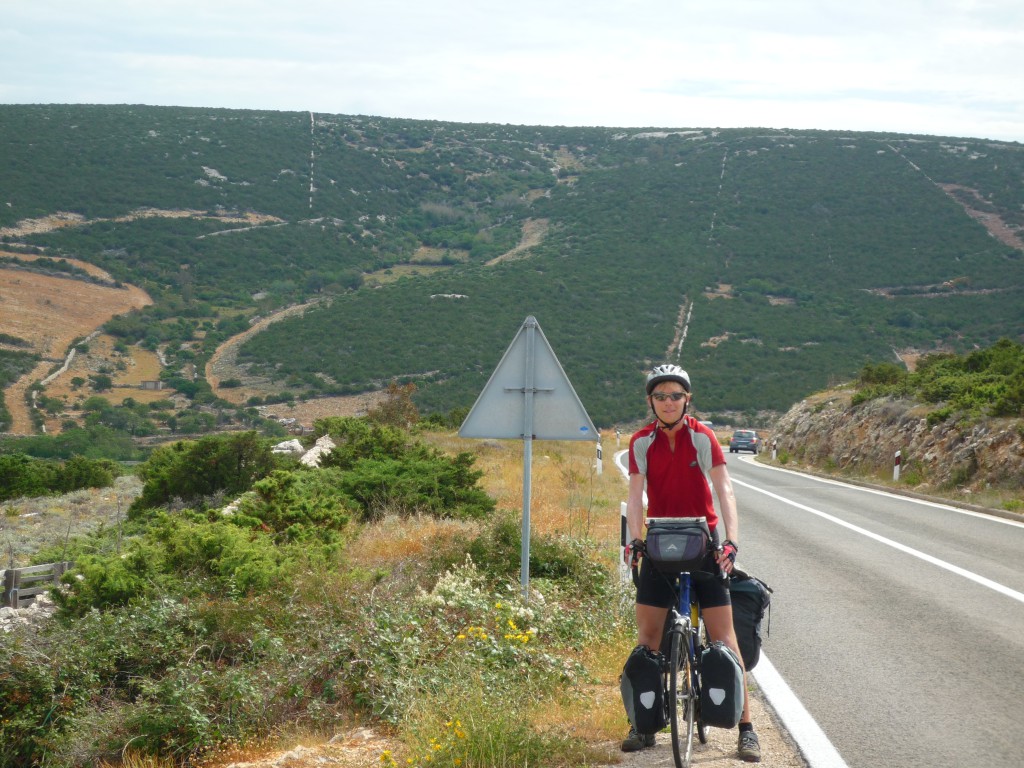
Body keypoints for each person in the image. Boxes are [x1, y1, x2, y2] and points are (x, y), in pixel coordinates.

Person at [620, 364, 760, 762]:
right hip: (659, 541)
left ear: (687, 400)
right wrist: (635, 541)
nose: (668, 402)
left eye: (675, 396)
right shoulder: (640, 442)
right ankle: (641, 725)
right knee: (647, 640)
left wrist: (730, 541)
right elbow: (635, 497)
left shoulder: (703, 437)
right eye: (661, 396)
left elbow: (724, 489)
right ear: (651, 401)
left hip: (703, 541)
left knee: (725, 639)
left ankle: (746, 729)